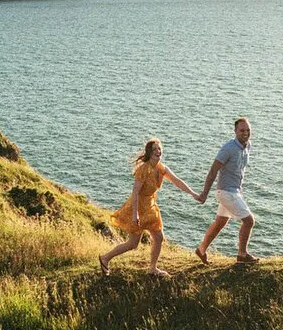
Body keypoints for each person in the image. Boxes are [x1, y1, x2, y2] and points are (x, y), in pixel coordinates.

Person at [99, 138, 200, 277]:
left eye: (159, 149)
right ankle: (105, 258)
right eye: (154, 149)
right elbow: (135, 192)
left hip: (151, 206)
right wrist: (135, 214)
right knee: (132, 244)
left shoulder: (161, 168)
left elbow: (177, 181)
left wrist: (193, 193)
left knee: (158, 237)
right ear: (149, 153)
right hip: (139, 206)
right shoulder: (144, 169)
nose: (158, 152)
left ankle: (152, 268)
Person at [194, 117, 259, 265]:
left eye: (248, 130)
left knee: (220, 222)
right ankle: (242, 255)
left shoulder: (247, 146)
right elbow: (212, 172)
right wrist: (204, 193)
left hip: (234, 191)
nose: (245, 133)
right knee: (249, 221)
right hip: (226, 192)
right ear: (235, 131)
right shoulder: (228, 148)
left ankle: (201, 250)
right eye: (242, 130)